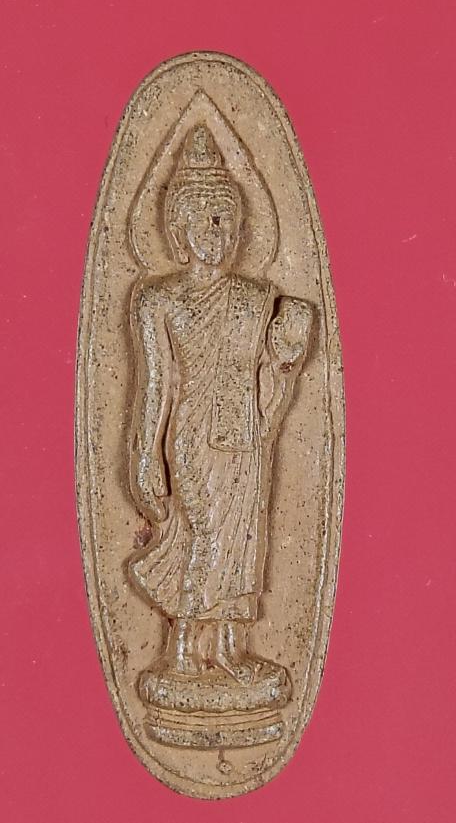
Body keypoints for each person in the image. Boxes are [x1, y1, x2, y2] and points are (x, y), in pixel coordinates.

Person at [129, 124, 312, 685]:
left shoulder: (255, 298)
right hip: (192, 435)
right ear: (178, 230)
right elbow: (156, 384)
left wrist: (285, 358)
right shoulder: (159, 299)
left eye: (228, 221)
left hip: (246, 434)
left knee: (245, 537)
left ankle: (231, 648)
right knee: (206, 533)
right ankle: (184, 649)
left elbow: (269, 373)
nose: (219, 233)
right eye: (206, 220)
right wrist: (145, 455)